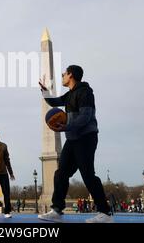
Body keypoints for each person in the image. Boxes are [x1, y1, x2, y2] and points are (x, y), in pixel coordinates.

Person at [38, 65, 113, 223]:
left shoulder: (85, 92)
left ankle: (105, 213)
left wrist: (66, 126)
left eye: (64, 74)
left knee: (88, 175)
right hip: (72, 139)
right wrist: (45, 91)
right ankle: (57, 210)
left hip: (85, 137)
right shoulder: (70, 94)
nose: (62, 76)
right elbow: (54, 102)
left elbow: (85, 117)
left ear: (71, 75)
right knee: (61, 174)